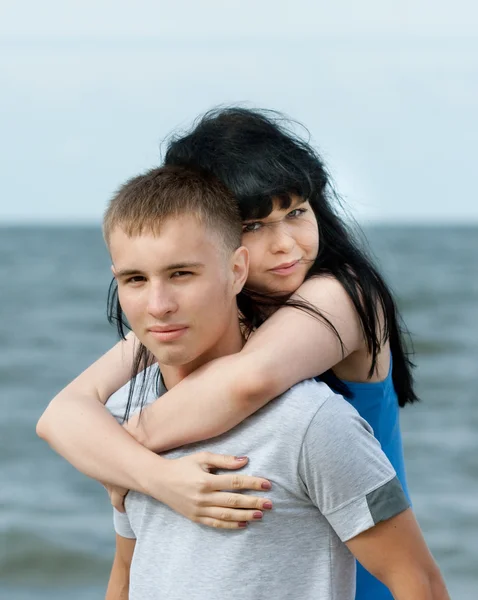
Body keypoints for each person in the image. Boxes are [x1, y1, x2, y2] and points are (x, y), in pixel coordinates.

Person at [38, 108, 417, 599]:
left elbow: (247, 381)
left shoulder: (341, 294)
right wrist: (147, 474)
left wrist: (126, 455)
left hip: (371, 579)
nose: (286, 245)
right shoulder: (203, 312)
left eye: (298, 213)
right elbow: (62, 413)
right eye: (255, 225)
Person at [101, 164, 447, 600]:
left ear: (236, 270)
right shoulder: (126, 411)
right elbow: (128, 572)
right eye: (135, 279)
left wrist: (128, 456)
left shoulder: (311, 421)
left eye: (182, 274)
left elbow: (422, 584)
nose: (158, 305)